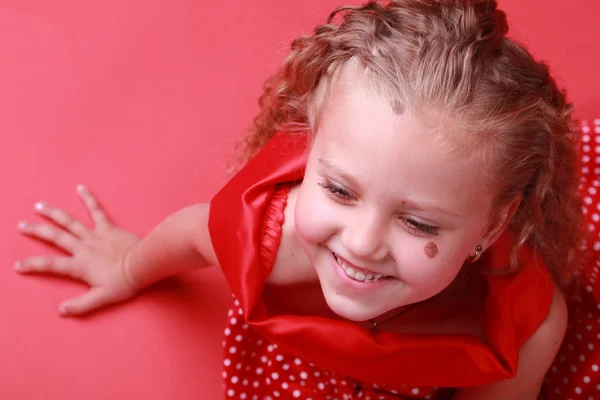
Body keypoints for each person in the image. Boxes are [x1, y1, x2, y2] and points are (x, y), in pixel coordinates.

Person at [15, 0, 584, 398]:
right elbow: (192, 233)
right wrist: (126, 264)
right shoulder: (265, 240)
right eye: (339, 190)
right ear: (309, 148)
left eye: (418, 224)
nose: (361, 243)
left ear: (494, 223)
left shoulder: (524, 325)